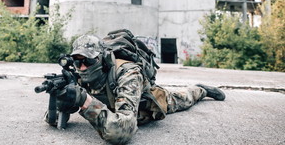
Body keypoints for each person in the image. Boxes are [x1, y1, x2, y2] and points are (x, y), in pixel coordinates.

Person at [51, 34, 226, 144]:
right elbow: (53, 121)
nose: (82, 67)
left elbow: (122, 131)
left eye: (88, 61)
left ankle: (200, 90)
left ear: (103, 59)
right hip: (112, 108)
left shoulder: (128, 73)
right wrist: (62, 99)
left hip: (147, 103)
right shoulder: (80, 73)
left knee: (184, 98)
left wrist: (84, 101)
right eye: (77, 61)